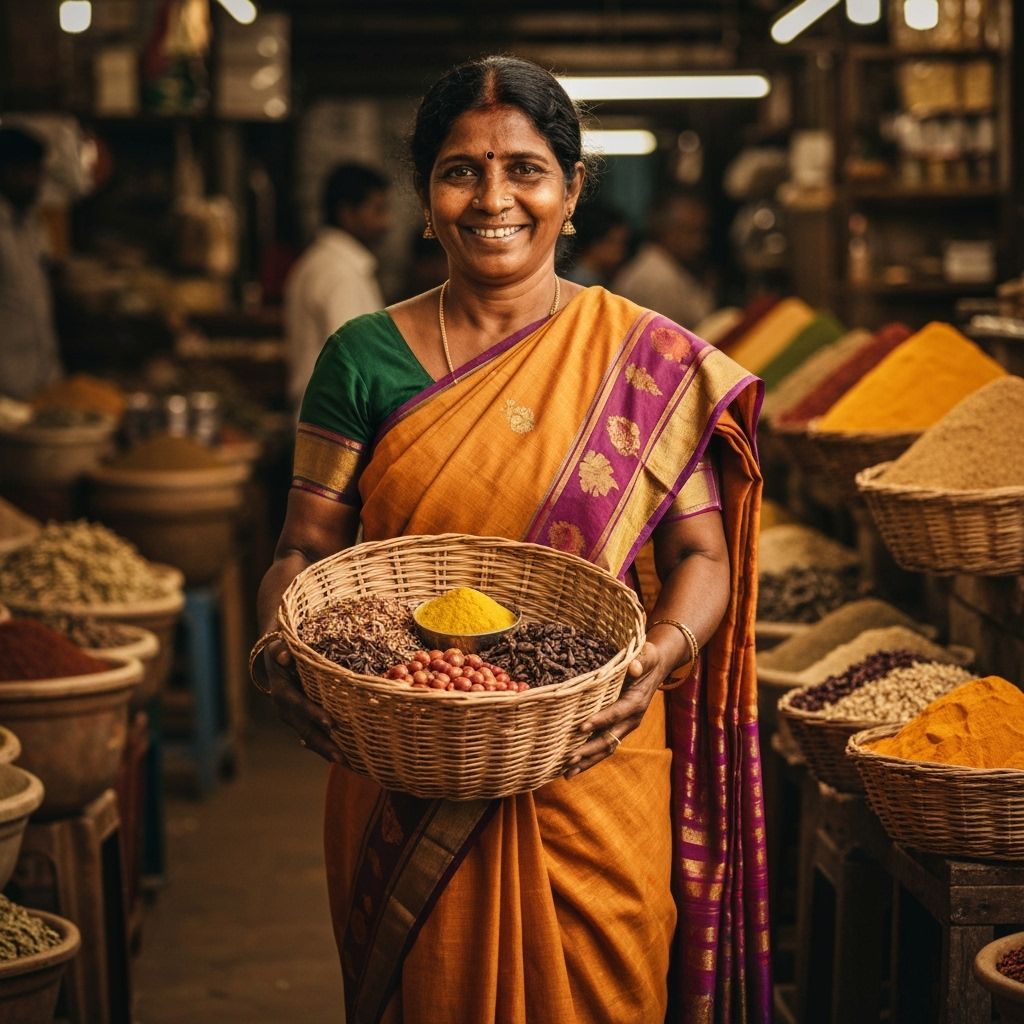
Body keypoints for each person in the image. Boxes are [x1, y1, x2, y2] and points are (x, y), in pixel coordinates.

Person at [255, 55, 769, 1024]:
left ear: (571, 191)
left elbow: (704, 556)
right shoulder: (362, 356)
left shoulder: (641, 355)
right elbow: (302, 547)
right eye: (461, 170)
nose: (494, 198)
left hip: (592, 747)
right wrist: (282, 642)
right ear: (424, 195)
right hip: (407, 750)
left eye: (526, 169)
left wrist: (652, 663)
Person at [283, 162, 393, 411]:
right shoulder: (340, 273)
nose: (386, 222)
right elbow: (355, 363)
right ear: (347, 213)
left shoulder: (318, 262)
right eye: (378, 210)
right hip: (338, 424)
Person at [0, 125, 63, 401]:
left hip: (40, 386)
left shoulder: (30, 224)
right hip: (6, 392)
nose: (37, 181)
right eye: (29, 172)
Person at [612, 189, 716, 329]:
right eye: (692, 232)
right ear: (667, 231)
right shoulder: (659, 279)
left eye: (702, 232)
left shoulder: (665, 268)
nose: (700, 242)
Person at [562, 201, 631, 287]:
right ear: (594, 243)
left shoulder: (599, 278)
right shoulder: (581, 283)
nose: (622, 249)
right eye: (615, 242)